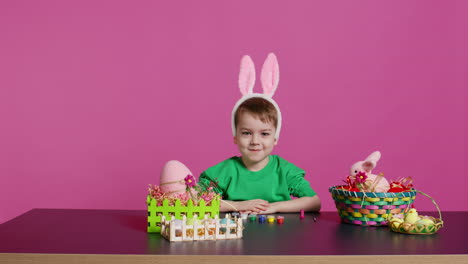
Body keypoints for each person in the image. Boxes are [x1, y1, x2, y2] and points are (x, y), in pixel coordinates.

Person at [198, 53, 321, 214]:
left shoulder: (284, 170)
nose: (255, 141)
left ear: (275, 138)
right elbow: (198, 201)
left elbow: (314, 202)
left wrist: (274, 207)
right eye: (247, 133)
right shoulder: (225, 171)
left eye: (264, 134)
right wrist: (241, 205)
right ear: (235, 137)